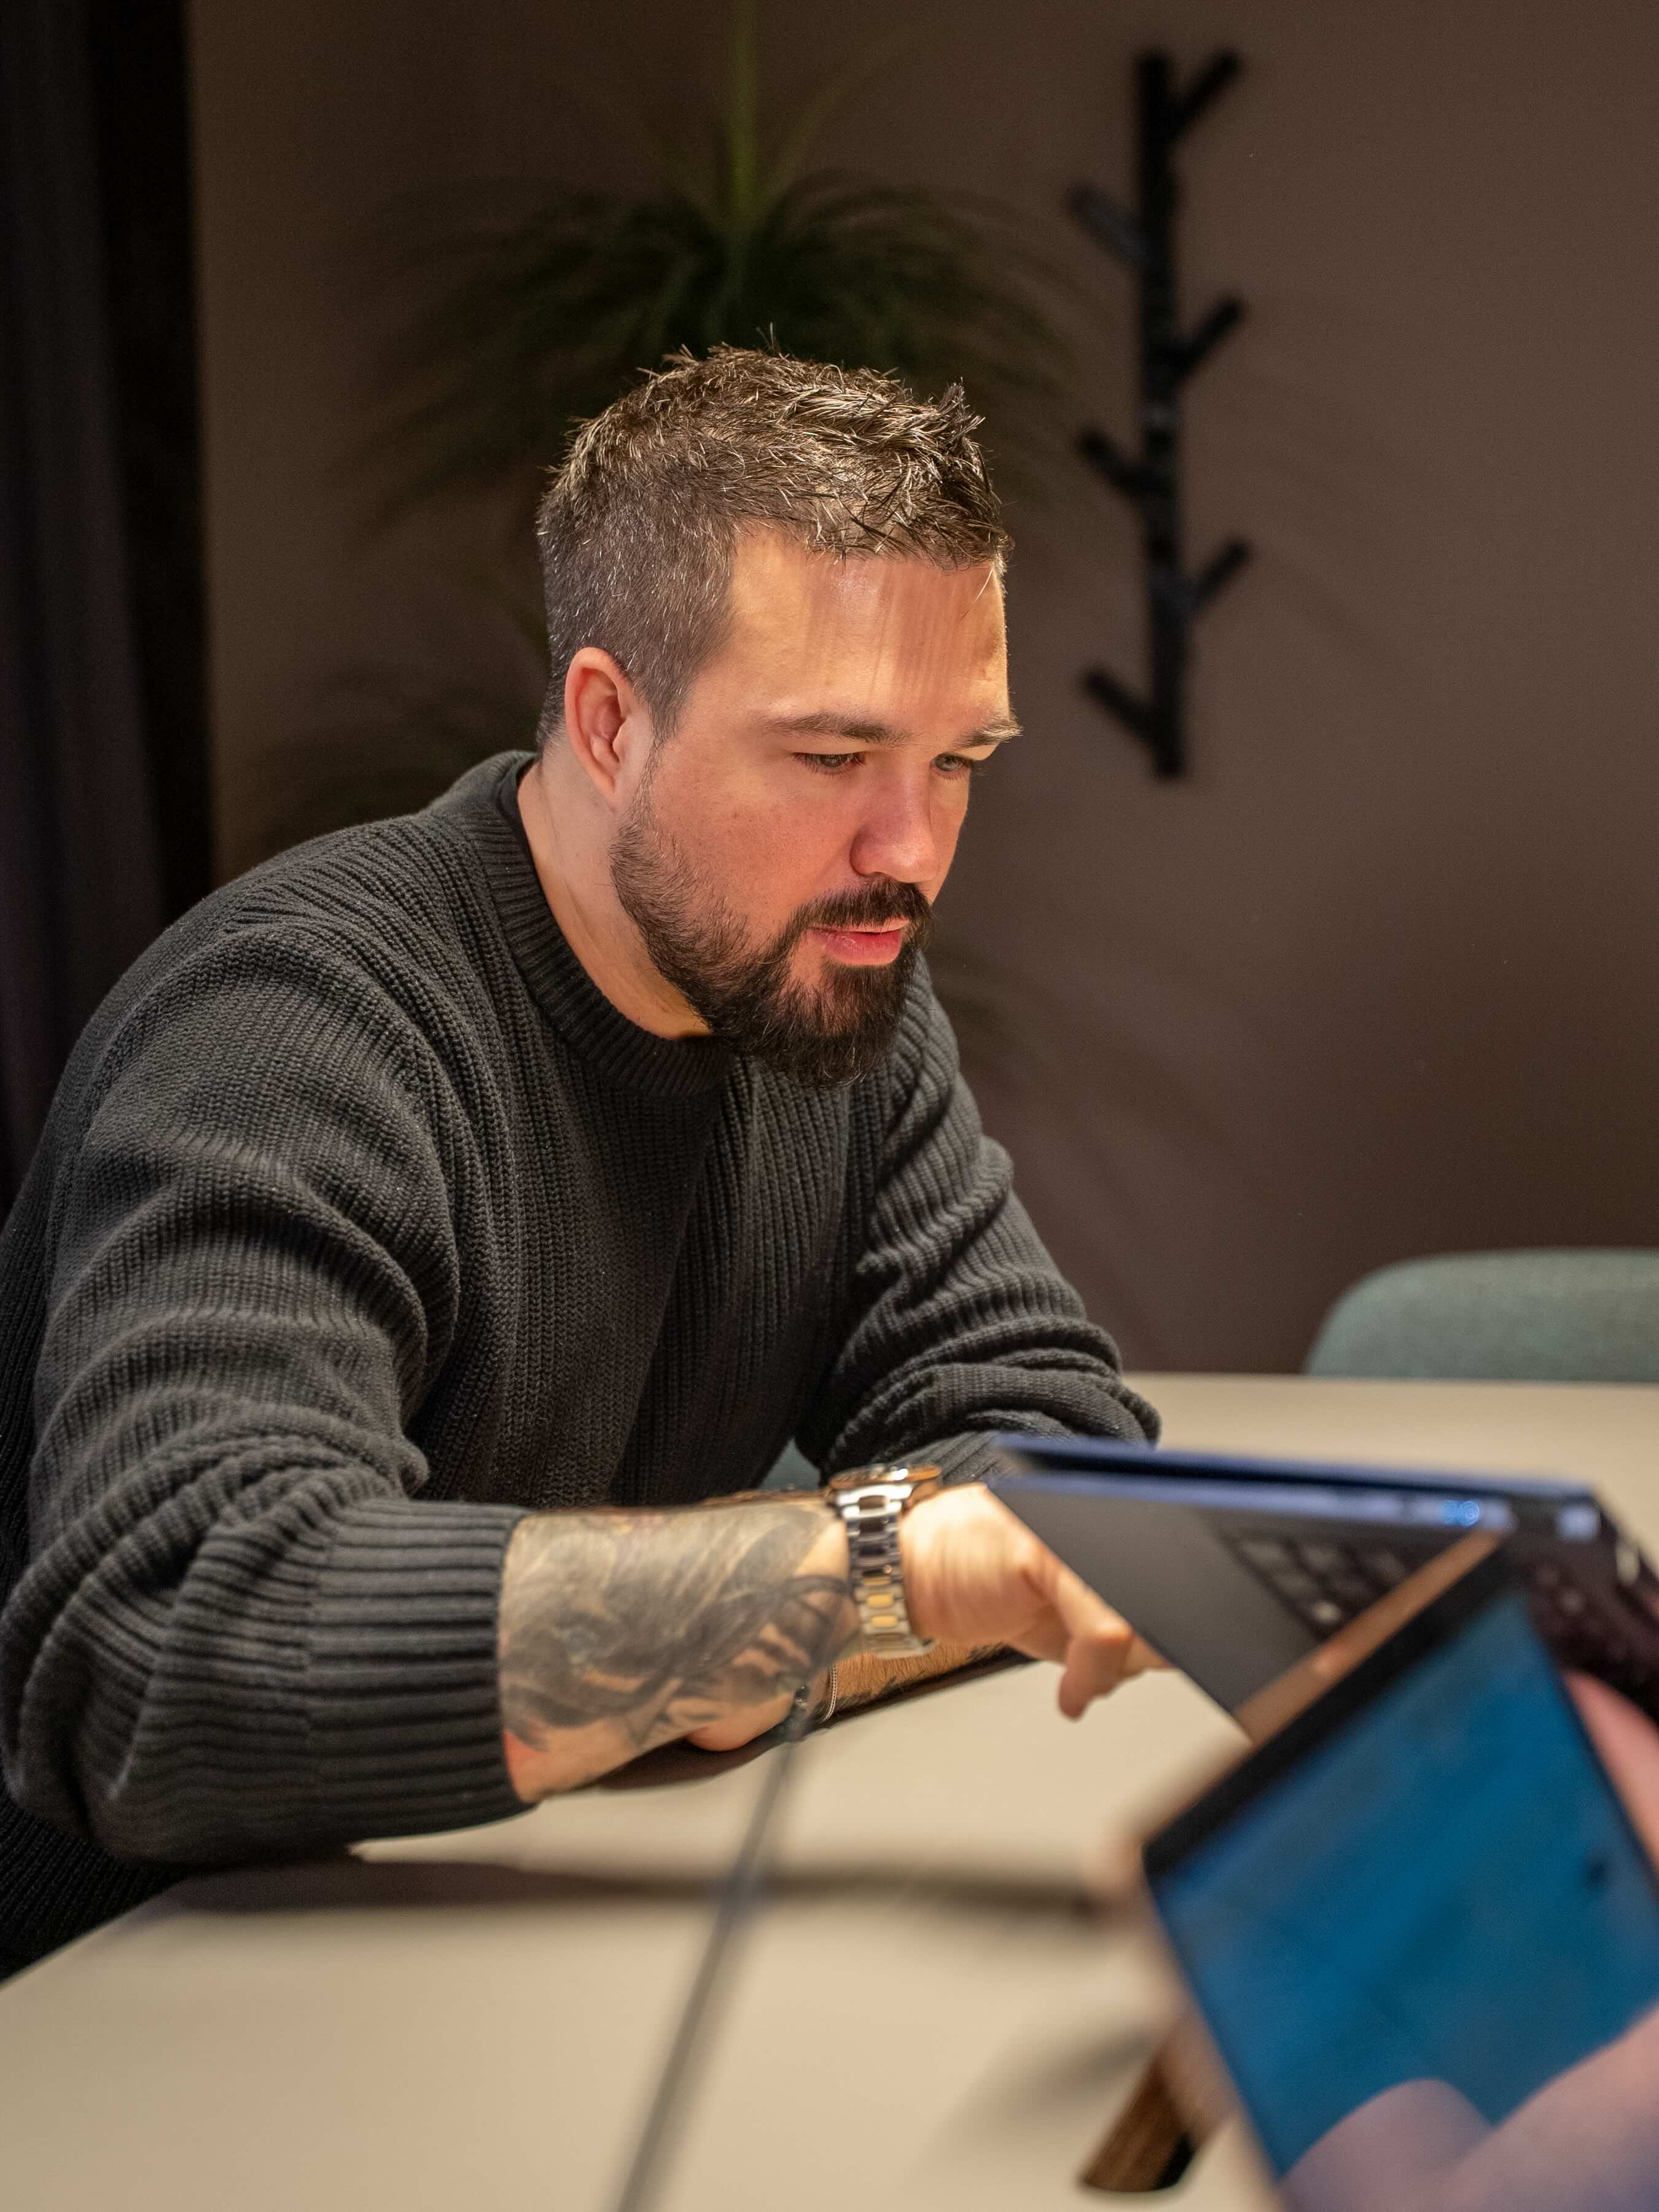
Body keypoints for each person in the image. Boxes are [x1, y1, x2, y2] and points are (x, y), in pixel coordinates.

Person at [0, 346, 1158, 1979]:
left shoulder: (830, 993)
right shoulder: (293, 1027)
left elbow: (1052, 1443)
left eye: (958, 760)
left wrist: (769, 1623)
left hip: (498, 1945)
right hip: (134, 2008)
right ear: (610, 722)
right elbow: (177, 1638)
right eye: (833, 758)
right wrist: (887, 1568)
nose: (911, 850)